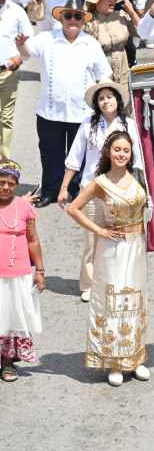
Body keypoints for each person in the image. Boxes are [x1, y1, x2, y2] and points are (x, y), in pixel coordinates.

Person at [66, 131, 149, 386]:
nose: (121, 154)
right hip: (112, 249)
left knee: (135, 299)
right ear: (108, 153)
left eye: (126, 150)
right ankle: (113, 360)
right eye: (117, 150)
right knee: (115, 300)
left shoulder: (138, 177)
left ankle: (135, 359)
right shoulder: (100, 182)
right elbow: (73, 208)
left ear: (131, 152)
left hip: (136, 247)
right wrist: (99, 230)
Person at [16, 0, 111, 208]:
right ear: (61, 18)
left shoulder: (91, 44)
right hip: (50, 111)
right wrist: (21, 45)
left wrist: (104, 98)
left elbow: (104, 73)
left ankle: (77, 191)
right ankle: (50, 191)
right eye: (68, 16)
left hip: (82, 112)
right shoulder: (46, 38)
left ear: (83, 20)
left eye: (77, 16)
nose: (72, 20)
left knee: (80, 155)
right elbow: (26, 54)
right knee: (50, 154)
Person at [59, 78, 141, 302]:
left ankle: (116, 280)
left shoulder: (129, 125)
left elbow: (138, 160)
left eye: (110, 97)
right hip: (92, 188)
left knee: (120, 236)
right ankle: (88, 283)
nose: (106, 101)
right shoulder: (88, 124)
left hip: (121, 189)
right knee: (92, 237)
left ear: (118, 100)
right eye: (102, 98)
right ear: (97, 103)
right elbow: (74, 158)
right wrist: (65, 187)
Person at [0, 159, 44, 383]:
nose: (6, 187)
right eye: (2, 183)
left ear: (16, 185)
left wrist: (40, 271)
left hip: (19, 272)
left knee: (12, 317)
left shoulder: (24, 207)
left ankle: (8, 362)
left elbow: (33, 240)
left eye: (11, 183)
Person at [0, 0, 30, 158]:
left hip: (8, 73)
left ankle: (3, 163)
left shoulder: (17, 11)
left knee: (5, 119)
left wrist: (21, 57)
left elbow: (28, 39)